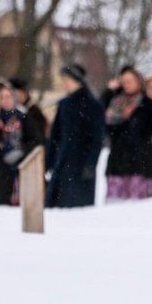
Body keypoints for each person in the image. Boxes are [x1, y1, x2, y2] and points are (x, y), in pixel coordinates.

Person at [44, 64, 105, 209]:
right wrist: (49, 161)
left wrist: (91, 163)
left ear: (78, 80)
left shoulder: (93, 105)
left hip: (81, 164)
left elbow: (97, 139)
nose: (65, 83)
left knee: (77, 209)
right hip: (63, 161)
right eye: (63, 79)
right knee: (56, 206)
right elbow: (55, 136)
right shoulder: (64, 104)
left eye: (68, 79)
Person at [103, 66, 152, 200]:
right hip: (118, 161)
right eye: (124, 81)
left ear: (138, 81)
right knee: (115, 204)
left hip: (140, 162)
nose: (127, 84)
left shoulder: (147, 104)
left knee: (138, 205)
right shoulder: (115, 102)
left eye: (130, 81)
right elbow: (104, 123)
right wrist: (108, 92)